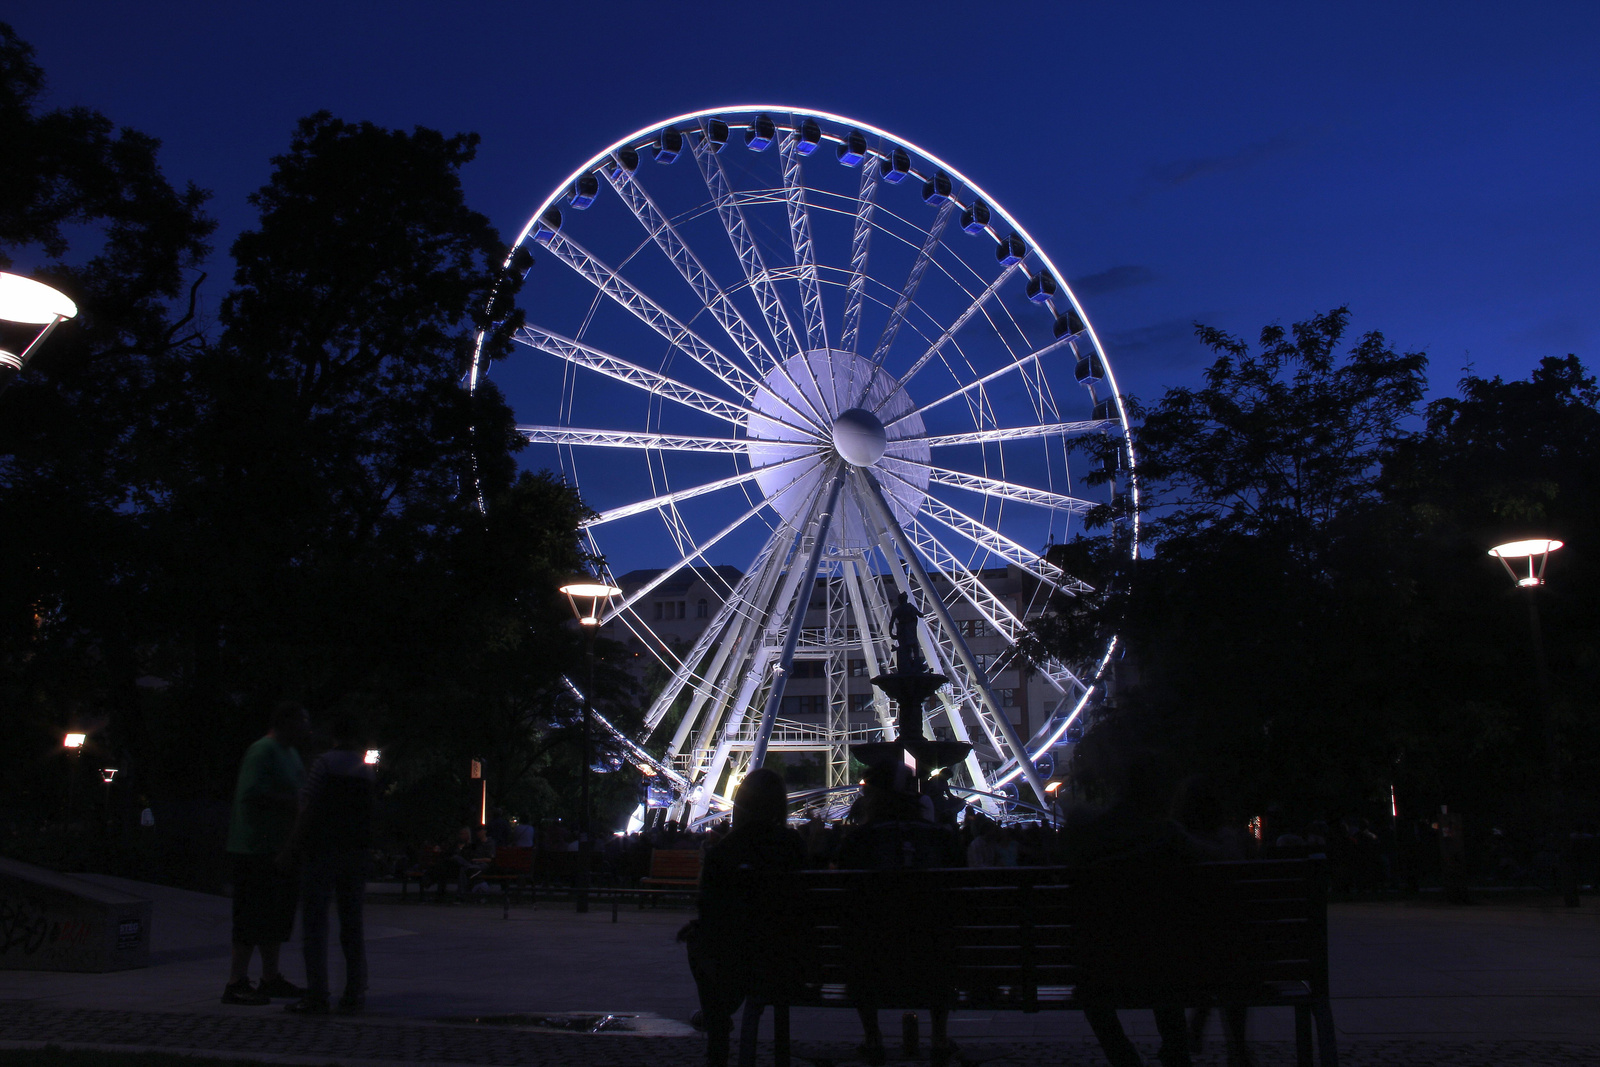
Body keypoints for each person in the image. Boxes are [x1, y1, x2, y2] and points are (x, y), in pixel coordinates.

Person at [837, 760, 963, 1067]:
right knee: (937, 938)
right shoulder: (939, 838)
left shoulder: (859, 840)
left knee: (862, 939)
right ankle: (938, 1036)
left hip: (873, 964)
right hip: (933, 963)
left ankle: (872, 1036)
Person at [683, 768, 806, 1067]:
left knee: (698, 941)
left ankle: (717, 1020)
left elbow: (709, 912)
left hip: (737, 963)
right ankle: (719, 1014)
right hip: (792, 962)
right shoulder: (794, 847)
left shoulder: (723, 852)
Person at [282, 714, 376, 1014]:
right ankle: (355, 989)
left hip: (321, 849)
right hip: (355, 851)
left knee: (315, 922)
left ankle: (317, 991)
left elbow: (306, 803)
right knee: (351, 923)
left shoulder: (323, 763)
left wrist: (293, 843)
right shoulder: (365, 770)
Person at [222, 701, 311, 1006]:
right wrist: (292, 804)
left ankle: (270, 977)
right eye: (302, 721)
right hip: (255, 847)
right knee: (251, 914)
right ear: (286, 722)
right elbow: (252, 793)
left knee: (274, 915)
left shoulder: (290, 753)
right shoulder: (262, 751)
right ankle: (236, 981)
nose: (307, 729)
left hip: (279, 847)